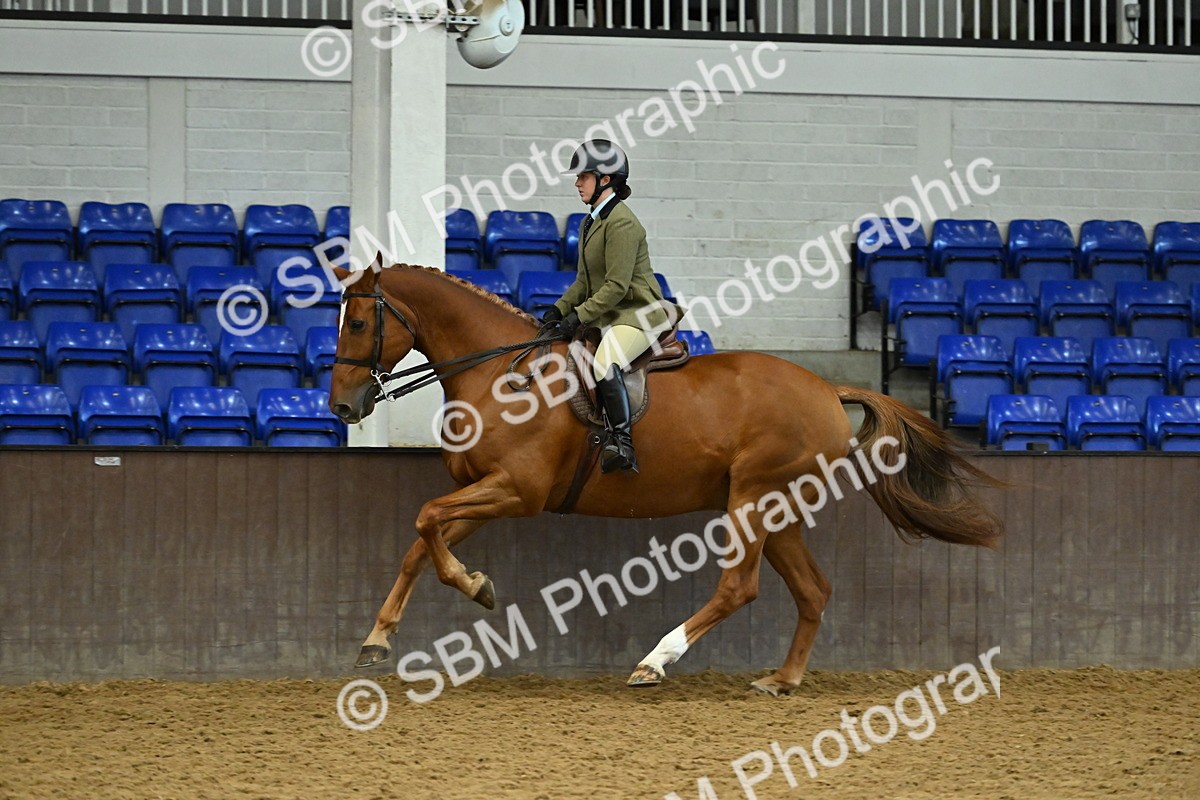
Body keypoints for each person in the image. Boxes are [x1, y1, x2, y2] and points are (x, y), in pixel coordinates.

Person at [541, 139, 683, 474]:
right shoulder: (589, 221)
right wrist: (558, 310)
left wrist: (580, 316)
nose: (577, 182)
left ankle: (622, 443)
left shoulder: (622, 223)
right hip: (610, 313)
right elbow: (582, 282)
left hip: (637, 313)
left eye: (583, 176)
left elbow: (617, 287)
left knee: (605, 360)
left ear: (605, 179)